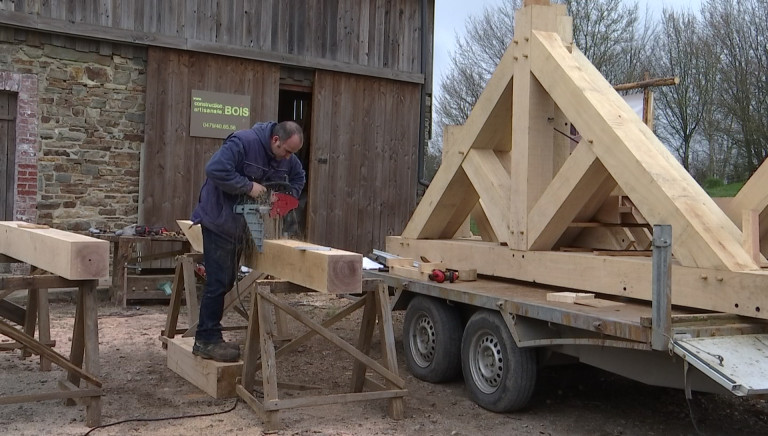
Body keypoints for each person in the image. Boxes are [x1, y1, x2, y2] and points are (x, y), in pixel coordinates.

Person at [190, 121, 306, 362]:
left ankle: (209, 333)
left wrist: (285, 199)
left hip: (243, 223)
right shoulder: (243, 142)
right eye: (287, 151)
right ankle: (206, 340)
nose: (288, 157)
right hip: (220, 219)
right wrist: (248, 186)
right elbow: (215, 169)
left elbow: (298, 177)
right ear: (276, 140)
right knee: (218, 282)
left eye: (292, 153)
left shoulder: (287, 159)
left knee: (228, 279)